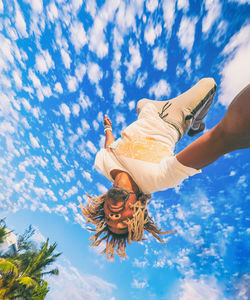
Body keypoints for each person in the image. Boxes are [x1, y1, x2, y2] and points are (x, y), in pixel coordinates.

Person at [80, 78, 250, 261]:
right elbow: (221, 138)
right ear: (137, 210)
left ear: (104, 208)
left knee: (140, 102)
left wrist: (107, 128)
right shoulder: (157, 179)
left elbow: (109, 146)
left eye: (109, 219)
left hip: (148, 109)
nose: (114, 216)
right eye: (122, 221)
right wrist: (235, 133)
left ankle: (162, 112)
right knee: (210, 84)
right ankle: (197, 124)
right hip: (175, 116)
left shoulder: (103, 164)